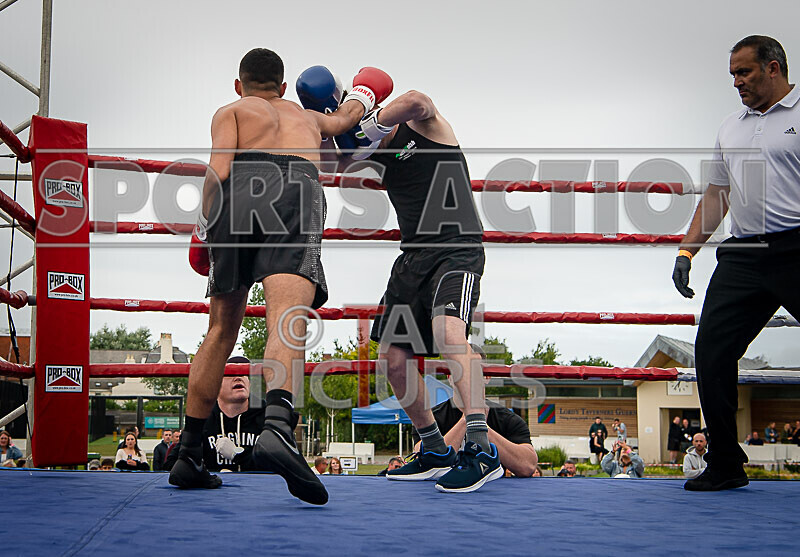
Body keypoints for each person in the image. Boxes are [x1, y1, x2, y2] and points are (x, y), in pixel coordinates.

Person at [169, 49, 391, 508]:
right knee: (285, 318)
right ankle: (277, 428)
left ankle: (189, 452)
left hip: (236, 195)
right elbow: (349, 116)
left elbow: (219, 170)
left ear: (239, 84)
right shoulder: (305, 116)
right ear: (285, 87)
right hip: (293, 185)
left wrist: (203, 226)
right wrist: (361, 93)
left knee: (219, 330)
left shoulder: (230, 110)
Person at [333, 89, 499, 493]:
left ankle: (480, 449)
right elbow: (328, 159)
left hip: (456, 250)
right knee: (392, 359)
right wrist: (332, 127)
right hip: (412, 259)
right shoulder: (374, 158)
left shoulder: (424, 127)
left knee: (448, 334)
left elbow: (417, 99)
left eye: (364, 122)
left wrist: (374, 123)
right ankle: (434, 449)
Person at [674, 35, 800, 491]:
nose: (737, 82)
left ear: (774, 68)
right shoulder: (731, 126)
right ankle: (726, 463)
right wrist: (688, 249)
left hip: (797, 248)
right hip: (744, 254)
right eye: (732, 74)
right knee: (710, 352)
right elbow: (718, 194)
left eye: (744, 72)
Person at [407, 345, 539, 478]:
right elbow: (420, 458)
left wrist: (482, 428)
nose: (466, 378)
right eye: (460, 371)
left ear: (487, 377)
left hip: (492, 493)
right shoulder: (431, 417)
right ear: (449, 376)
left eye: (474, 370)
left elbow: (528, 466)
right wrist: (466, 420)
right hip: (441, 492)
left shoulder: (507, 419)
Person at [164, 357, 270, 472]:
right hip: (213, 488)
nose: (239, 377)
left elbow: (282, 466)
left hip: (257, 488)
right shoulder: (201, 418)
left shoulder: (267, 415)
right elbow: (172, 465)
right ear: (215, 384)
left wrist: (237, 454)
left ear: (249, 383)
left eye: (244, 373)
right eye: (231, 373)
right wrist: (208, 475)